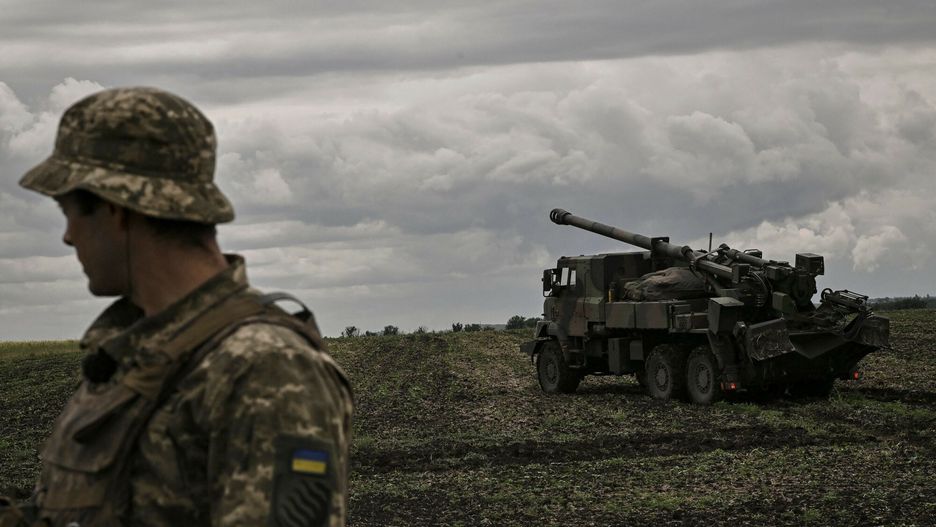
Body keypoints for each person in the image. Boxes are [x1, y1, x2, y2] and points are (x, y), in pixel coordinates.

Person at [6, 87, 353, 527]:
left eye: (69, 211)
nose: (68, 236)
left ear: (115, 208)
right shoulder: (140, 355)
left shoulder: (264, 366)